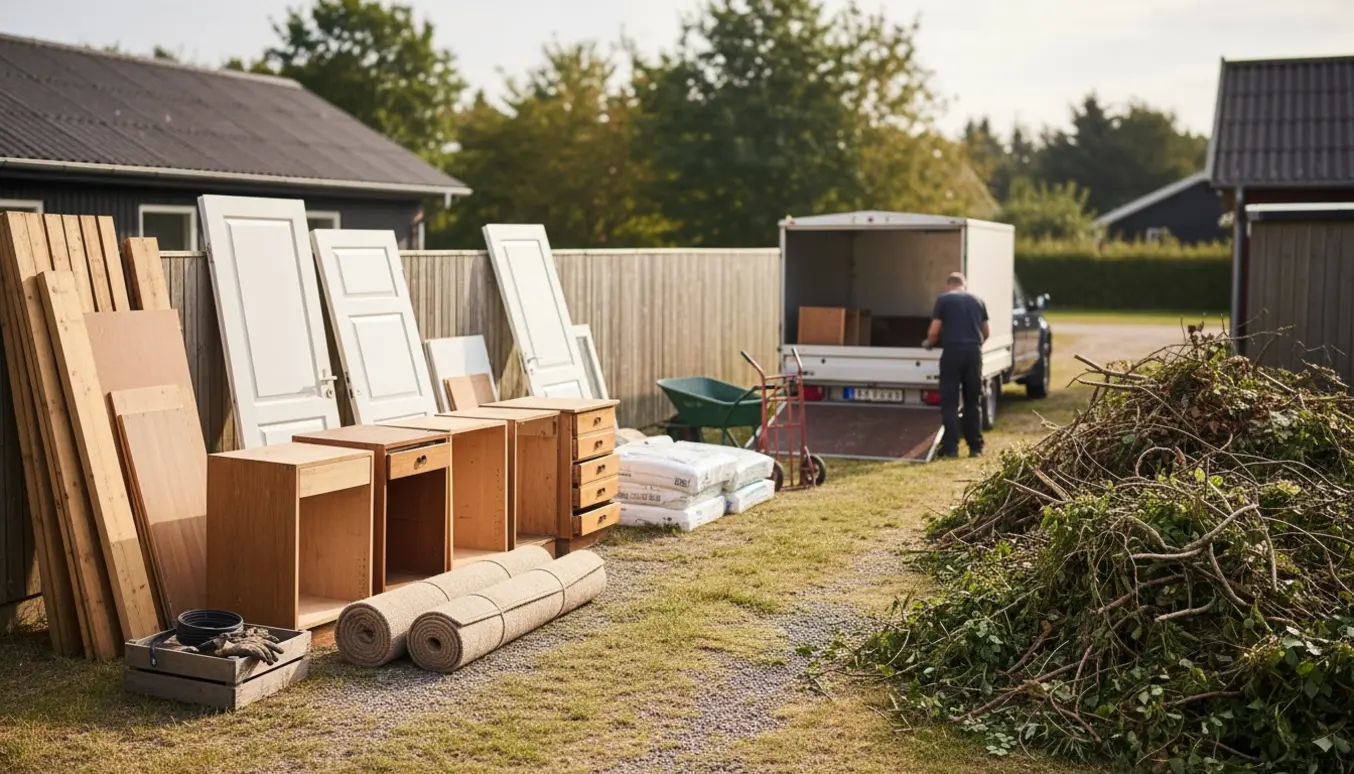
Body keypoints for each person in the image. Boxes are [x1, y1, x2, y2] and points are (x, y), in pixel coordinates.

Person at [925, 272, 990, 458]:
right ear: (964, 285)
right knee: (973, 401)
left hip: (952, 352)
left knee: (950, 401)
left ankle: (951, 449)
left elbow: (933, 331)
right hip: (973, 353)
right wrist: (973, 346)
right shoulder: (978, 301)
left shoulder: (944, 300)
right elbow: (986, 332)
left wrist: (930, 343)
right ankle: (975, 448)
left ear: (949, 286)